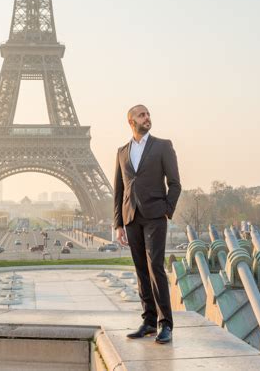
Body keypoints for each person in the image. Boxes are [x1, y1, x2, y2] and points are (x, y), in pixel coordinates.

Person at [114, 104, 181, 344]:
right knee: (141, 270)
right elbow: (119, 189)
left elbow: (175, 183)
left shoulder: (163, 146)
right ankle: (149, 321)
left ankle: (166, 324)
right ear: (131, 121)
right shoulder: (122, 151)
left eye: (148, 114)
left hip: (154, 216)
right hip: (131, 216)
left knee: (155, 267)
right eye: (142, 115)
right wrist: (118, 223)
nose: (147, 117)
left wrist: (166, 210)